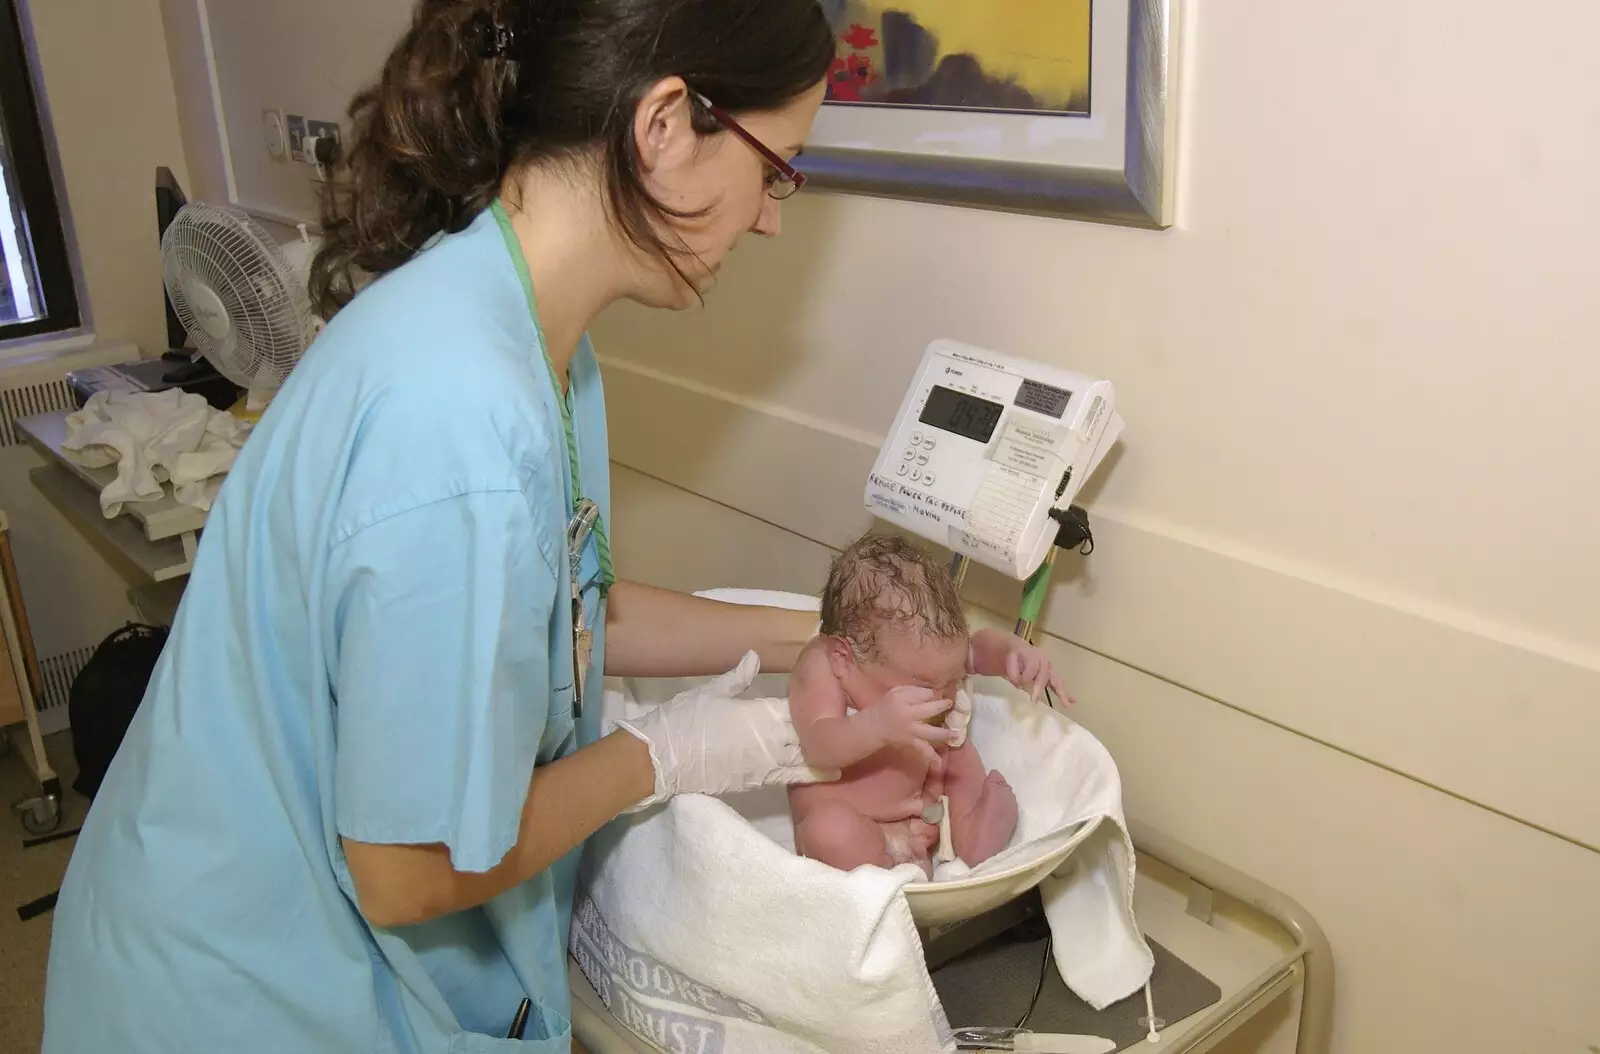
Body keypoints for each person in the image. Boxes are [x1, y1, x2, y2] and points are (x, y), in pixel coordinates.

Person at [40, 1, 847, 1051]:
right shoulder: (458, 413)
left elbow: (563, 607)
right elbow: (407, 867)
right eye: (777, 166)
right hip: (235, 989)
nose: (773, 214)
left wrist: (809, 636)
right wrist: (676, 751)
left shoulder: (526, 333)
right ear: (662, 127)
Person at [787, 535, 1062, 877]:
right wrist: (876, 725)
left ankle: (976, 832)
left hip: (922, 814)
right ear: (844, 658)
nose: (945, 695)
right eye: (926, 685)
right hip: (850, 828)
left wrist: (1011, 651)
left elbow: (975, 650)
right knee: (828, 830)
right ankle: (887, 852)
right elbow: (818, 746)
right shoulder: (822, 666)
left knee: (956, 750)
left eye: (953, 676)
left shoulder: (930, 663)